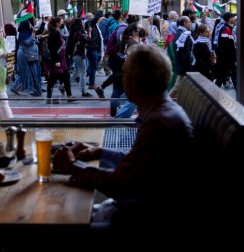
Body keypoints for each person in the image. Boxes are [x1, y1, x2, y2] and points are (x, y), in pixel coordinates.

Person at [52, 45, 194, 226]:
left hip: (138, 217)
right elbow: (138, 165)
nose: (122, 80)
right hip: (135, 208)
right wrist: (99, 152)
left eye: (125, 74)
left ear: (135, 82)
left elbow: (121, 183)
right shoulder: (161, 112)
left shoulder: (158, 124)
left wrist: (72, 166)